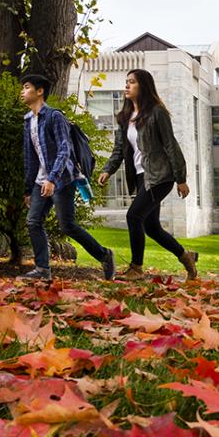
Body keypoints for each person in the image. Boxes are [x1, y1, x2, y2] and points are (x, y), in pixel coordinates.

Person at [98, 69, 198, 280]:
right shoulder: (125, 118)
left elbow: (171, 145)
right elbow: (119, 150)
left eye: (132, 82)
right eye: (126, 82)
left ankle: (136, 267)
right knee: (151, 227)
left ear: (143, 86)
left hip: (160, 177)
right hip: (142, 177)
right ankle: (186, 256)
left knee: (133, 216)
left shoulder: (157, 112)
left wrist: (181, 179)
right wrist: (108, 170)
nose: (127, 86)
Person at [19, 74, 116, 281]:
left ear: (39, 91)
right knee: (33, 221)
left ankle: (104, 254)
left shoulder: (55, 116)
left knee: (67, 226)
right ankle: (42, 270)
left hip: (62, 179)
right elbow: (30, 157)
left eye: (26, 87)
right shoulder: (28, 121)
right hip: (40, 180)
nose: (22, 91)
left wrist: (52, 179)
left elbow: (65, 150)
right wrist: (29, 189)